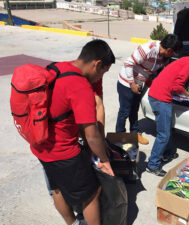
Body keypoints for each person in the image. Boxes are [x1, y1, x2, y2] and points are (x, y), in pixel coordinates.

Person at [32, 39, 115, 225]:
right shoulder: (81, 86)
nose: (100, 77)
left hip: (40, 144)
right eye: (103, 72)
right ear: (98, 64)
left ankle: (72, 223)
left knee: (57, 188)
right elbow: (91, 135)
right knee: (92, 193)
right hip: (62, 150)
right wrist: (104, 159)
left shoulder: (57, 67)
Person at [146, 46, 189, 176]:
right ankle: (152, 165)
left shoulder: (184, 61)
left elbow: (180, 85)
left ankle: (167, 153)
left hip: (156, 94)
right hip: (161, 98)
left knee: (166, 129)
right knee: (163, 134)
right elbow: (178, 86)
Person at [116, 34, 183, 145]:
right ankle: (120, 137)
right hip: (127, 82)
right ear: (169, 50)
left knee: (134, 109)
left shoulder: (164, 56)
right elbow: (128, 63)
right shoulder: (147, 49)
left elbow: (158, 70)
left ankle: (134, 133)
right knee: (124, 111)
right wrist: (132, 83)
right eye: (174, 52)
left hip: (140, 84)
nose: (174, 55)